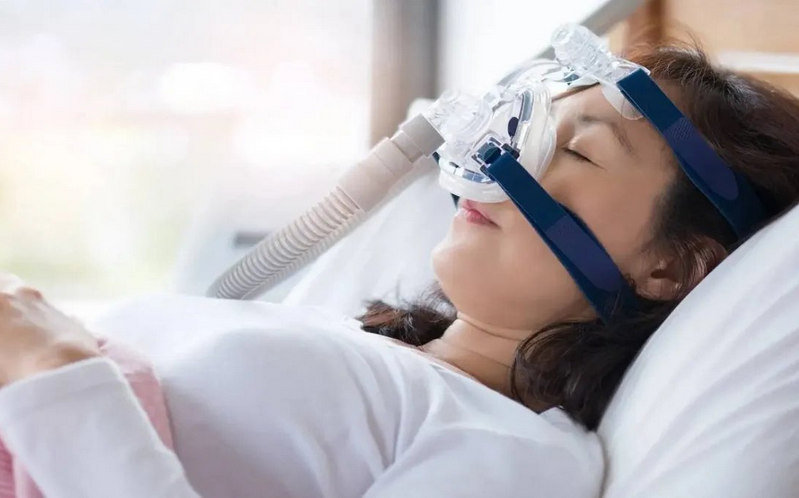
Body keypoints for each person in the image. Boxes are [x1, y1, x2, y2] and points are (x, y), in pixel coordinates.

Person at [1, 44, 799, 498]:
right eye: (527, 130)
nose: (505, 160)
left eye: (580, 151)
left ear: (669, 266)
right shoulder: (349, 342)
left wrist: (60, 373)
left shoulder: (521, 458)